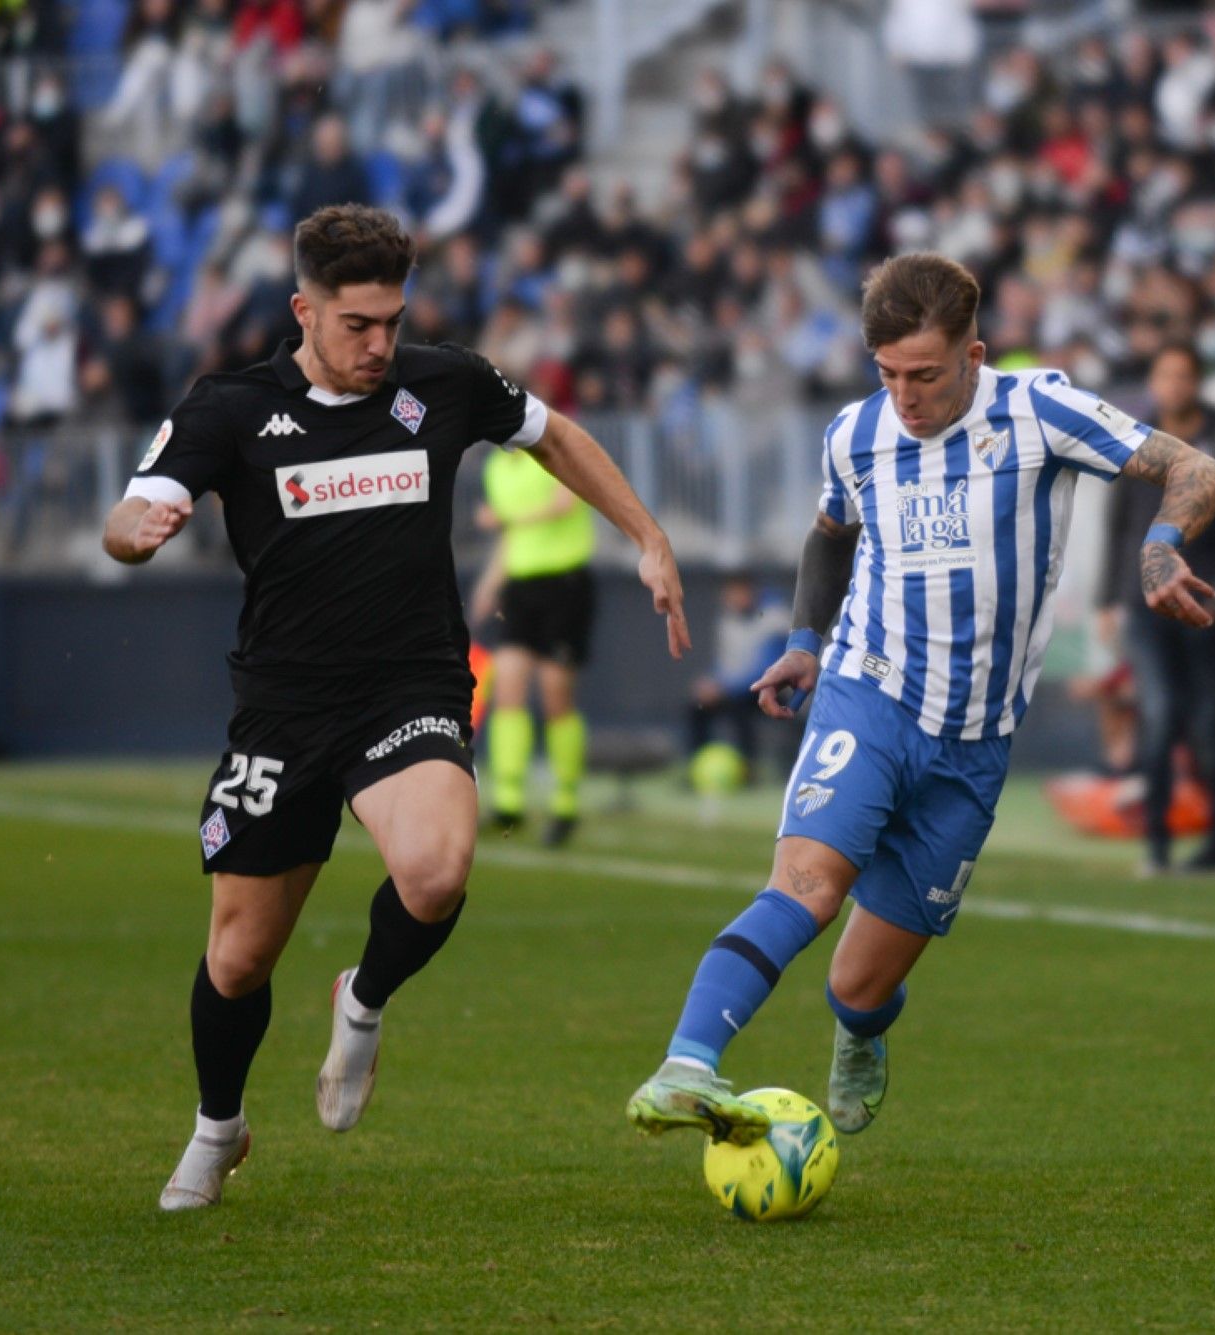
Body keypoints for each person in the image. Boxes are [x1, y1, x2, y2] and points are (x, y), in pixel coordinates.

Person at [102, 204, 690, 1210]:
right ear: (304, 310)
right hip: (283, 708)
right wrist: (137, 532)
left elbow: (555, 437)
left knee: (435, 870)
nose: (379, 344)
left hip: (407, 686)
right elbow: (128, 511)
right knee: (239, 958)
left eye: (391, 321)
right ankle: (218, 1128)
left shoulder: (443, 381)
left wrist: (645, 535)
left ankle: (362, 1002)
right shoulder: (228, 409)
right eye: (356, 325)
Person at [624, 253, 1215, 1143]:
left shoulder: (1038, 408)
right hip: (867, 695)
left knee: (859, 986)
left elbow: (1196, 466)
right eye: (889, 374)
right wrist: (803, 644)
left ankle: (860, 1032)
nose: (906, 396)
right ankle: (685, 1065)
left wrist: (1162, 543)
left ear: (975, 356)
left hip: (976, 742)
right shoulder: (856, 434)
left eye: (927, 375)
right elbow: (830, 535)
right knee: (806, 885)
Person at [1098, 342, 1215, 874]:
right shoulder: (1136, 442)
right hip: (1145, 604)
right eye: (1164, 375)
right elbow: (1119, 526)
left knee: (1210, 728)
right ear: (1153, 381)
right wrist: (1108, 597)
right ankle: (1157, 846)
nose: (1173, 385)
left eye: (1183, 375)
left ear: (1197, 381)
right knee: (1161, 715)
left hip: (1204, 602)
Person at [468, 443, 596, 846]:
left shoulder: (552, 452)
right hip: (521, 588)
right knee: (506, 685)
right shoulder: (496, 469)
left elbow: (564, 502)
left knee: (555, 694)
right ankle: (509, 801)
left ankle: (565, 803)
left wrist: (507, 517)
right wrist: (490, 584)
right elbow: (510, 537)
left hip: (564, 583)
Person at [684, 574, 787, 777]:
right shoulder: (728, 619)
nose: (731, 599)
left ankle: (748, 769)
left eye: (737, 593)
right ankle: (695, 767)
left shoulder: (774, 618)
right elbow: (726, 663)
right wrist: (711, 683)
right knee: (697, 707)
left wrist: (724, 688)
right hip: (734, 689)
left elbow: (768, 668)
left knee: (740, 707)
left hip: (772, 690)